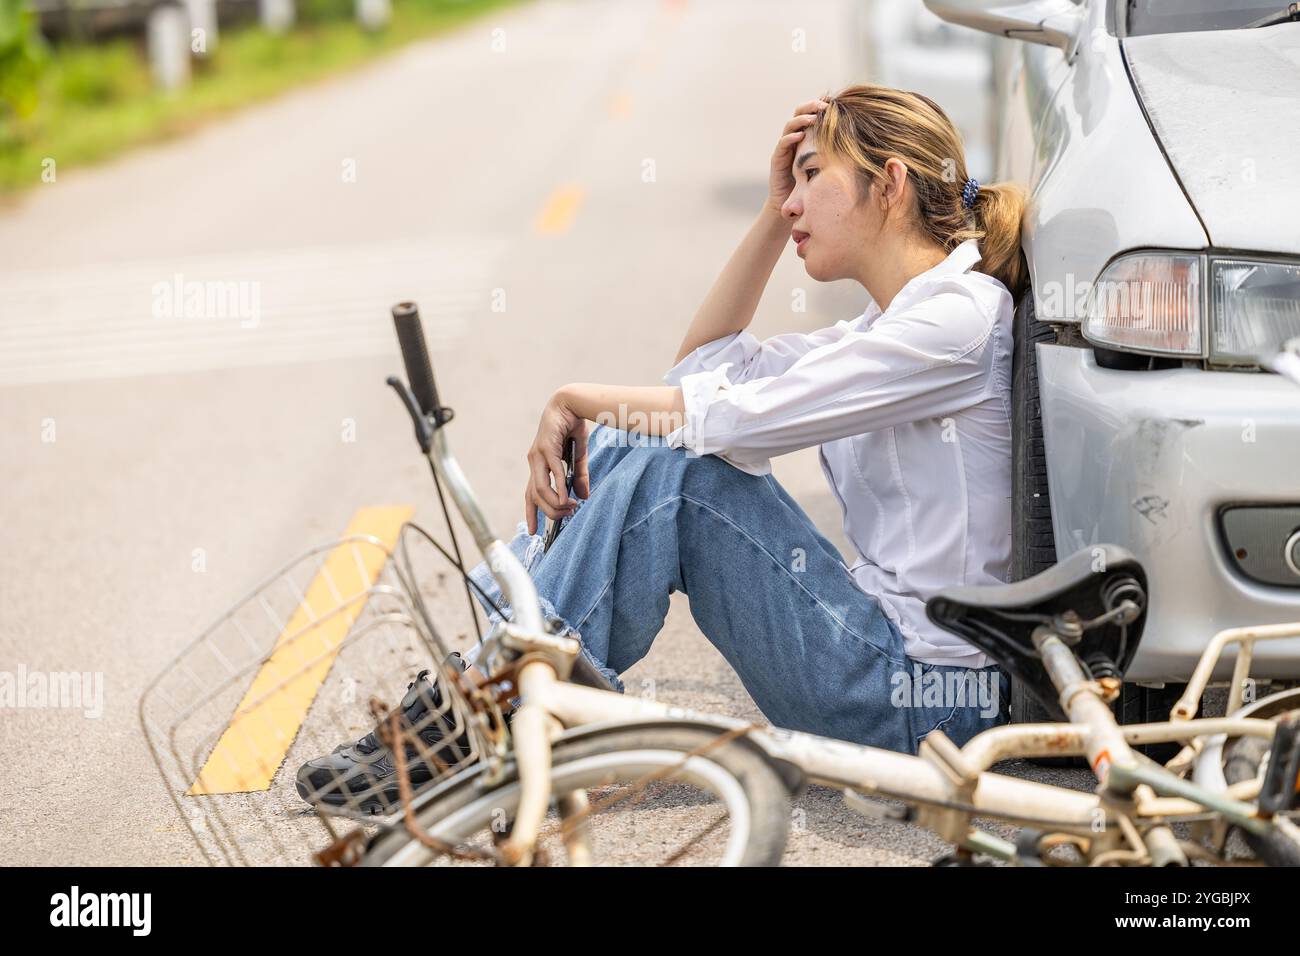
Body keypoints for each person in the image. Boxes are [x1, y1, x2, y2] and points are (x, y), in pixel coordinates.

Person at [298, 83, 1030, 811]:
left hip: (931, 706)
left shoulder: (955, 321)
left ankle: (504, 699)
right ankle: (502, 688)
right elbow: (703, 372)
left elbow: (728, 419)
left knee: (678, 461)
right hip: (885, 673)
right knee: (649, 433)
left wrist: (573, 397)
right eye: (792, 183)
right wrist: (773, 222)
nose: (793, 201)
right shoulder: (884, 325)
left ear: (890, 183)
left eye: (811, 177)